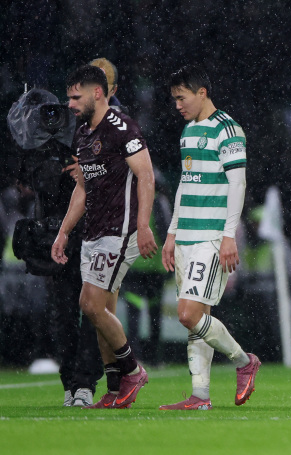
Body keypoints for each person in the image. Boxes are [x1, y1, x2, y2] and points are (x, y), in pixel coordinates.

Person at [51, 64, 157, 409]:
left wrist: (143, 225)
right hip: (93, 233)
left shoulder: (122, 128)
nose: (70, 103)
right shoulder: (83, 133)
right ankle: (114, 388)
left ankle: (132, 370)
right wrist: (63, 232)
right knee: (98, 312)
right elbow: (83, 188)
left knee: (92, 305)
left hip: (120, 230)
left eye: (75, 97)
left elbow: (146, 176)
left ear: (97, 93)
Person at [159, 65, 260, 411]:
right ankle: (200, 395)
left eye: (181, 98)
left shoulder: (228, 130)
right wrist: (172, 232)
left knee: (188, 315)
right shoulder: (188, 131)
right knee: (197, 318)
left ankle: (244, 361)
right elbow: (185, 184)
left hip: (211, 237)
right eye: (174, 99)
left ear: (202, 93)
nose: (177, 105)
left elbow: (238, 184)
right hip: (186, 236)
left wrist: (229, 236)